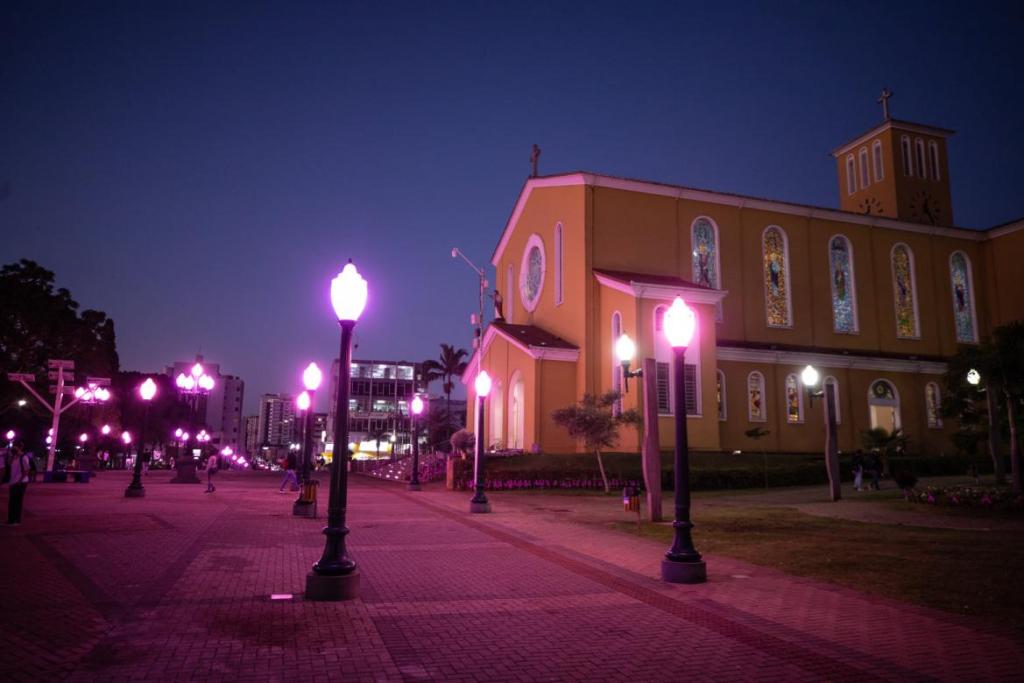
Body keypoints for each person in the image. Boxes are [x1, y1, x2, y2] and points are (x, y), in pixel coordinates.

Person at [5, 442, 31, 525]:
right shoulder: (14, 457)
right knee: (12, 502)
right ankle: (11, 520)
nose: (13, 448)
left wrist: (20, 480)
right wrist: (11, 456)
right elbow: (8, 464)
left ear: (20, 447)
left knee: (16, 502)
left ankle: (16, 520)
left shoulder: (24, 457)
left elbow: (27, 470)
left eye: (15, 447)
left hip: (20, 482)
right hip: (13, 482)